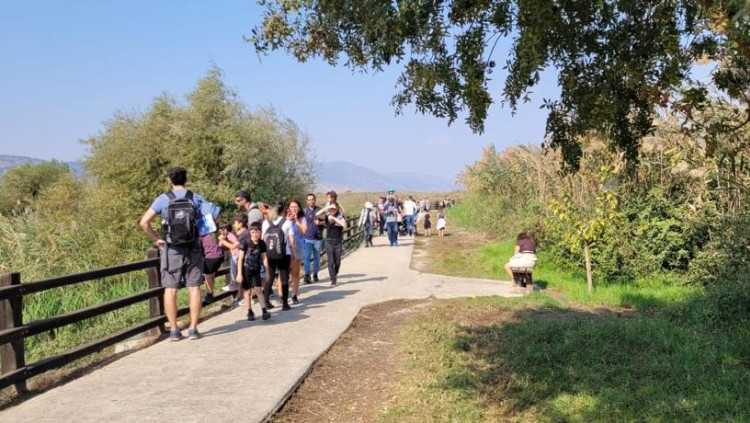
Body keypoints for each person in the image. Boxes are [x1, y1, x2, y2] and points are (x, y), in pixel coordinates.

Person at [139, 167, 205, 341]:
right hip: (193, 248)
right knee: (194, 288)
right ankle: (193, 329)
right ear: (186, 179)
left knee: (170, 289)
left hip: (172, 250)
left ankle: (174, 330)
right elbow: (213, 218)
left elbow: (144, 222)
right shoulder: (195, 198)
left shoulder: (163, 199)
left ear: (170, 180)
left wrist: (156, 239)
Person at [235, 222, 272, 321]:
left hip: (256, 270)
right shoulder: (245, 243)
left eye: (257, 232)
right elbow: (240, 259)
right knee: (247, 291)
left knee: (259, 290)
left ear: (260, 232)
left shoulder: (262, 243)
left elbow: (264, 258)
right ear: (250, 233)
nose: (255, 234)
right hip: (245, 270)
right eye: (253, 232)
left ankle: (264, 311)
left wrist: (267, 272)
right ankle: (249, 311)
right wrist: (239, 274)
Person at [262, 203, 293, 310]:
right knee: (284, 278)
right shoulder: (287, 222)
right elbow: (291, 240)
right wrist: (293, 253)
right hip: (284, 253)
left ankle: (266, 302)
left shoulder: (266, 222)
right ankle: (285, 303)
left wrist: (263, 254)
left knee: (269, 277)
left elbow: (262, 239)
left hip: (269, 253)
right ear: (283, 211)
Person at [317, 201, 347, 286]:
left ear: (337, 209)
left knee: (338, 262)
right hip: (329, 241)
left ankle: (335, 274)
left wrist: (334, 218)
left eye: (334, 208)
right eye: (331, 209)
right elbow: (317, 214)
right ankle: (333, 280)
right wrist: (326, 208)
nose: (332, 210)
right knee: (331, 261)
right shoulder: (327, 216)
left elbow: (344, 225)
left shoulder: (340, 216)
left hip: (338, 241)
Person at [287, 198, 307, 304]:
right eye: (292, 206)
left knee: (295, 272)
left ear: (299, 208)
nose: (294, 208)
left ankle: (294, 295)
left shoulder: (302, 218)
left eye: (296, 206)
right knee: (284, 272)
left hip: (298, 247)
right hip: (286, 247)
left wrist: (297, 221)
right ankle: (282, 295)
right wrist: (287, 220)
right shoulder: (284, 218)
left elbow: (304, 230)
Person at [303, 193, 323, 283]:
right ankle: (307, 275)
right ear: (307, 201)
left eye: (312, 199)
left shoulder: (320, 210)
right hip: (307, 237)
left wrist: (320, 223)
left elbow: (326, 222)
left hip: (318, 238)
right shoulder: (304, 211)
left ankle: (315, 274)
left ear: (315, 200)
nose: (311, 201)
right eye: (309, 200)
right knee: (306, 257)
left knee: (316, 258)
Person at [200, 231, 224, 305]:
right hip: (220, 256)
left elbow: (200, 250)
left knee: (207, 275)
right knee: (212, 274)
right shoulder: (210, 235)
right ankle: (210, 292)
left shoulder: (200, 237)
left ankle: (209, 294)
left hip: (211, 257)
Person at [217, 223, 240, 294]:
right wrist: (222, 239)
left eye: (222, 229)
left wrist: (223, 240)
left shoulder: (230, 235)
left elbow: (235, 244)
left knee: (233, 270)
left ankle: (233, 285)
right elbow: (220, 245)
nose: (221, 231)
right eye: (220, 229)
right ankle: (233, 285)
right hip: (234, 254)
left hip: (236, 254)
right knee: (233, 269)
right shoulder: (226, 236)